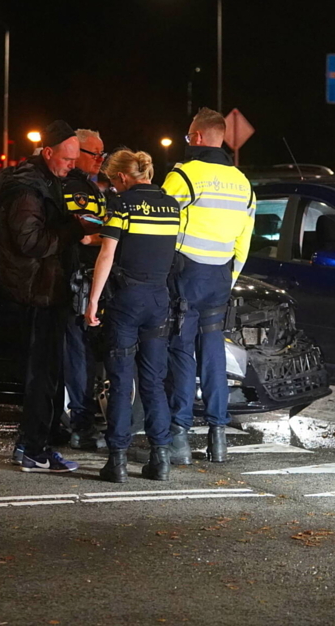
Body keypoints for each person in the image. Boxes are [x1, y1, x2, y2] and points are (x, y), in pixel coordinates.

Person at [0, 120, 101, 473]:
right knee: (43, 376)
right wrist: (75, 229)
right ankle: (33, 450)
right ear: (50, 152)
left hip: (47, 289)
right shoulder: (29, 190)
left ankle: (34, 445)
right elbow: (30, 242)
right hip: (38, 292)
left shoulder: (44, 182)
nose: (72, 165)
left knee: (47, 375)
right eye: (68, 159)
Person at [162, 107, 255, 464]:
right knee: (213, 354)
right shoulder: (242, 181)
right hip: (220, 277)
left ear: (198, 137)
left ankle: (180, 439)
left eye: (189, 137)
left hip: (186, 274)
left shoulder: (184, 175)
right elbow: (245, 241)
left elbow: (163, 225)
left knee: (182, 353)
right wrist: (229, 276)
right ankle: (218, 439)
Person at [85, 150, 180, 482]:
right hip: (159, 298)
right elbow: (152, 242)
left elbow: (108, 253)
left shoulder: (121, 205)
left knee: (121, 381)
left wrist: (93, 300)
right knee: (154, 381)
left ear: (122, 177)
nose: (112, 188)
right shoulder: (171, 206)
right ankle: (161, 458)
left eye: (112, 182)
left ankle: (118, 461)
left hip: (127, 300)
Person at [63, 129, 109, 450]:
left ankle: (82, 417)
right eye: (95, 153)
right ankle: (81, 420)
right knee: (79, 352)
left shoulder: (89, 185)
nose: (100, 160)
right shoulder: (77, 187)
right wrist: (109, 230)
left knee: (84, 352)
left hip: (85, 277)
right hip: (76, 279)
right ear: (76, 152)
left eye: (102, 154)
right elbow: (87, 225)